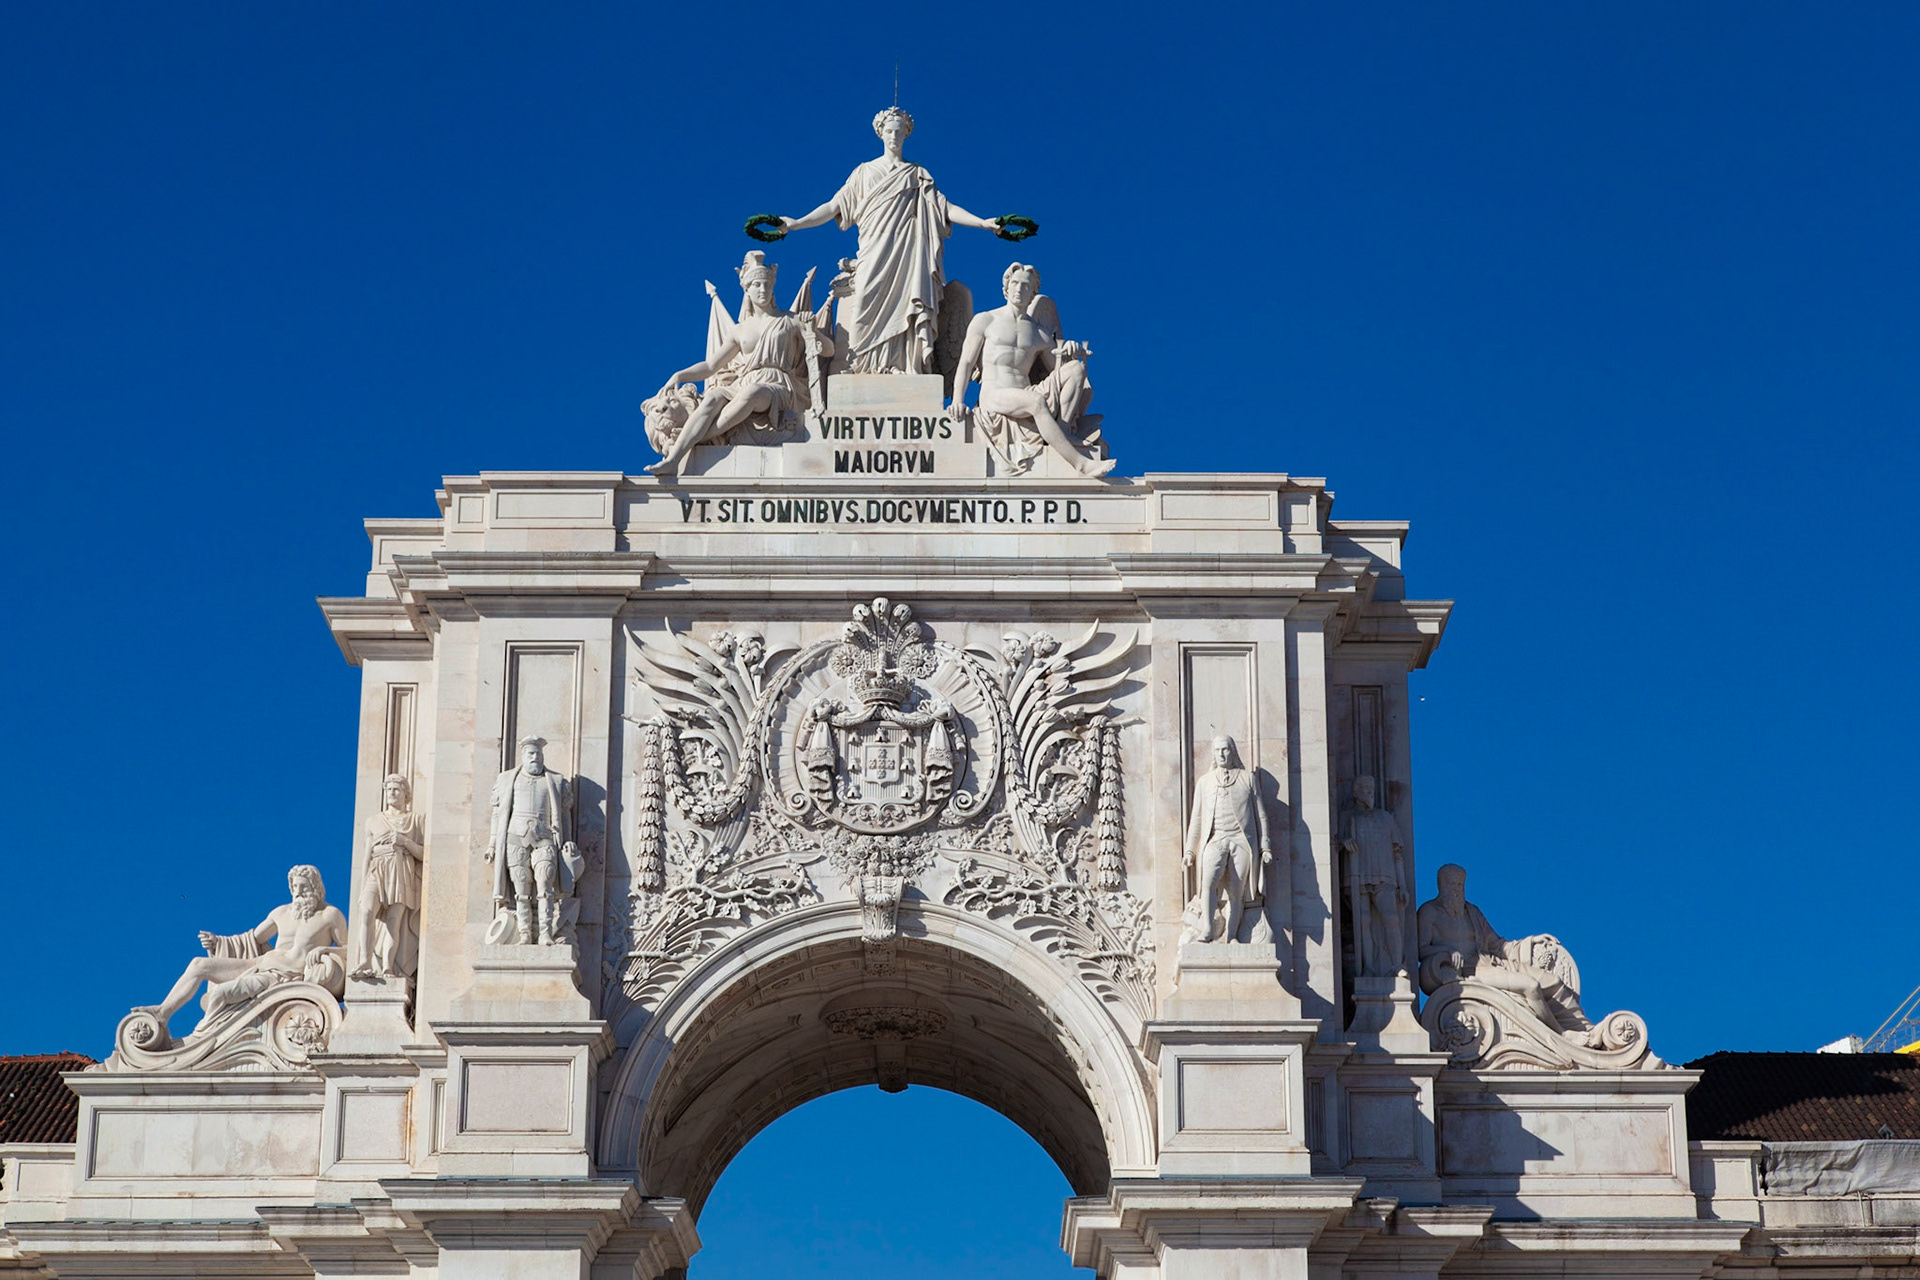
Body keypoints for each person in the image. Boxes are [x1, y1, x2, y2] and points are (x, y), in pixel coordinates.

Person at [773, 108, 1006, 375]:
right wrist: (797, 223)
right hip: (873, 249)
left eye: (899, 131)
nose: (894, 136)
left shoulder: (917, 174)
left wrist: (983, 223)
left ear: (906, 135)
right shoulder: (863, 173)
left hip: (909, 253)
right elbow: (833, 206)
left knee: (908, 304)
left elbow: (945, 208)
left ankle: (904, 365)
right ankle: (860, 365)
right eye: (889, 131)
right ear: (880, 133)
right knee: (864, 301)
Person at [645, 252, 830, 476]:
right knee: (713, 397)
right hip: (744, 382)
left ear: (773, 287)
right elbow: (711, 366)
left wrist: (814, 332)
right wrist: (680, 375)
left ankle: (698, 439)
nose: (762, 290)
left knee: (752, 393)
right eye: (756, 285)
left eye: (766, 285)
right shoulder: (740, 330)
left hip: (778, 386)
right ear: (747, 289)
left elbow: (828, 350)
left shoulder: (791, 320)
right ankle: (673, 460)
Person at [133, 865, 347, 1043]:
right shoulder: (281, 913)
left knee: (220, 995)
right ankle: (163, 1012)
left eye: (303, 887)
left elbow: (349, 951)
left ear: (315, 887)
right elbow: (252, 939)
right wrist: (218, 942)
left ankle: (198, 1041)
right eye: (294, 886)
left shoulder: (330, 916)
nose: (298, 892)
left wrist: (325, 950)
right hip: (260, 964)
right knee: (199, 964)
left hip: (282, 977)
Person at [948, 263, 1114, 477]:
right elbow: (966, 363)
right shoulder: (986, 320)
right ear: (1006, 287)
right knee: (1035, 402)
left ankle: (1062, 431)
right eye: (1015, 283)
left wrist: (1071, 352)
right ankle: (1080, 464)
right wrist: (957, 400)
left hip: (1026, 392)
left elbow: (1058, 370)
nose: (1019, 289)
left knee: (1075, 369)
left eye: (1025, 286)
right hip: (995, 394)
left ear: (1033, 292)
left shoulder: (1040, 334)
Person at [1416, 863, 1590, 1032]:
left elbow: (1498, 945)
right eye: (1451, 884)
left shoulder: (1472, 912)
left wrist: (1531, 942)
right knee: (1530, 987)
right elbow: (1420, 950)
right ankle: (1561, 1035)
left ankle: (1585, 1030)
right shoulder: (1429, 912)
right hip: (1469, 970)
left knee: (1553, 982)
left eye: (1460, 885)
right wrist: (1446, 952)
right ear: (1441, 885)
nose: (1456, 890)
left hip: (1492, 962)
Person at [485, 736, 575, 944]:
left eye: (538, 754)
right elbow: (498, 814)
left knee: (545, 884)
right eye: (531, 754)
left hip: (545, 837)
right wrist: (492, 844)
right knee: (521, 888)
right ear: (523, 756)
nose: (535, 757)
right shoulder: (507, 779)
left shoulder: (556, 780)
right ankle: (525, 932)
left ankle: (545, 932)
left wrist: (568, 840)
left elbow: (564, 815)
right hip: (515, 837)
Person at [1182, 737, 1272, 943]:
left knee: (1237, 891)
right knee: (1207, 883)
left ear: (1232, 751)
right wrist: (1189, 851)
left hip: (1241, 841)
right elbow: (1196, 818)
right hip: (1215, 839)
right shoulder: (1204, 782)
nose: (1221, 754)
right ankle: (1207, 928)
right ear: (1213, 754)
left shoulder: (1247, 778)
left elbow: (1261, 815)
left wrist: (1265, 847)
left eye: (1225, 750)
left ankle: (1231, 935)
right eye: (1217, 750)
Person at [351, 774, 423, 982]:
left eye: (396, 790)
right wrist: (364, 882)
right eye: (389, 790)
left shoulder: (415, 820)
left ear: (405, 794)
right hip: (377, 868)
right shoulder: (373, 821)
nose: (392, 793)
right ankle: (364, 961)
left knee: (394, 921)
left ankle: (387, 967)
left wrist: (404, 841)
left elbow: (422, 854)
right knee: (366, 912)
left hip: (401, 869)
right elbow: (366, 855)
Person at [1341, 775, 1407, 977]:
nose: (1369, 791)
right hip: (1357, 874)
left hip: (1385, 875)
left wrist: (1402, 885)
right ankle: (1367, 967)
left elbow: (1397, 854)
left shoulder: (1386, 818)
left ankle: (1396, 965)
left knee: (1391, 918)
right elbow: (1335, 841)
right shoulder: (1348, 817)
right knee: (1363, 922)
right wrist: (1345, 841)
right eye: (1364, 787)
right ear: (1355, 792)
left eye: (1371, 787)